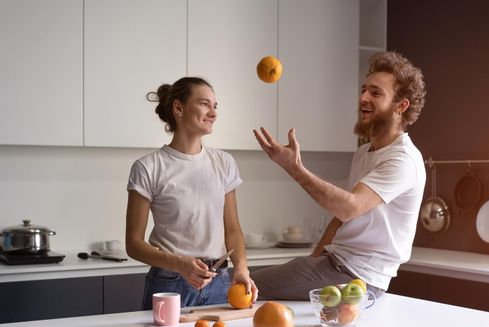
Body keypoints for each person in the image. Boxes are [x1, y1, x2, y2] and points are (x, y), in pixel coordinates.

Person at [251, 51, 426, 299]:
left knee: (241, 286)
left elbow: (349, 208)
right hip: (337, 265)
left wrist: (294, 168)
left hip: (360, 277)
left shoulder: (403, 159)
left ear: (401, 105)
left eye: (376, 93)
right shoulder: (365, 152)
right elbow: (341, 220)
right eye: (364, 90)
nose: (363, 97)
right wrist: (313, 262)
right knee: (244, 284)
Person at [125, 77, 258, 309]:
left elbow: (233, 229)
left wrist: (242, 269)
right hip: (170, 284)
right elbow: (133, 244)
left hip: (220, 281)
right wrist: (180, 264)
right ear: (179, 108)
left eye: (215, 106)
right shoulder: (148, 167)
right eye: (205, 104)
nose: (213, 112)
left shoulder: (224, 162)